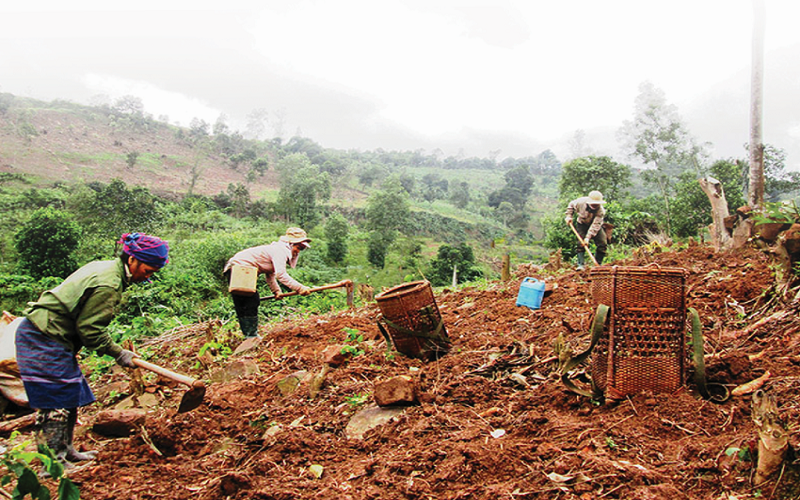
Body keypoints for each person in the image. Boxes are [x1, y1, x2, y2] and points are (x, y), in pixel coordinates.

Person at [15, 232, 169, 466]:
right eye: (147, 271)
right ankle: (52, 465)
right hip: (42, 336)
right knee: (55, 399)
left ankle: (67, 451)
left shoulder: (106, 268)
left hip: (53, 336)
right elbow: (90, 330)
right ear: (132, 260)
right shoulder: (109, 283)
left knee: (69, 394)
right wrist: (119, 353)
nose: (147, 277)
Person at [223, 227, 313, 338]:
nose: (298, 251)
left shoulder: (276, 250)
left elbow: (270, 275)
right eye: (298, 247)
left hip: (236, 268)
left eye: (302, 249)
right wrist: (300, 288)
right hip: (241, 267)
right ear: (290, 244)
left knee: (245, 302)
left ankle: (249, 335)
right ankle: (251, 336)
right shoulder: (280, 251)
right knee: (250, 300)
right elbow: (281, 275)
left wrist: (276, 291)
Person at [565, 190, 607, 270]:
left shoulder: (601, 211)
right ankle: (581, 265)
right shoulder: (580, 202)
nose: (595, 205)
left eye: (597, 204)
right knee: (580, 243)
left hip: (595, 226)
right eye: (593, 203)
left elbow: (595, 225)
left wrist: (587, 238)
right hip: (582, 224)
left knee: (602, 243)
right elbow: (570, 205)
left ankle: (598, 265)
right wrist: (569, 216)